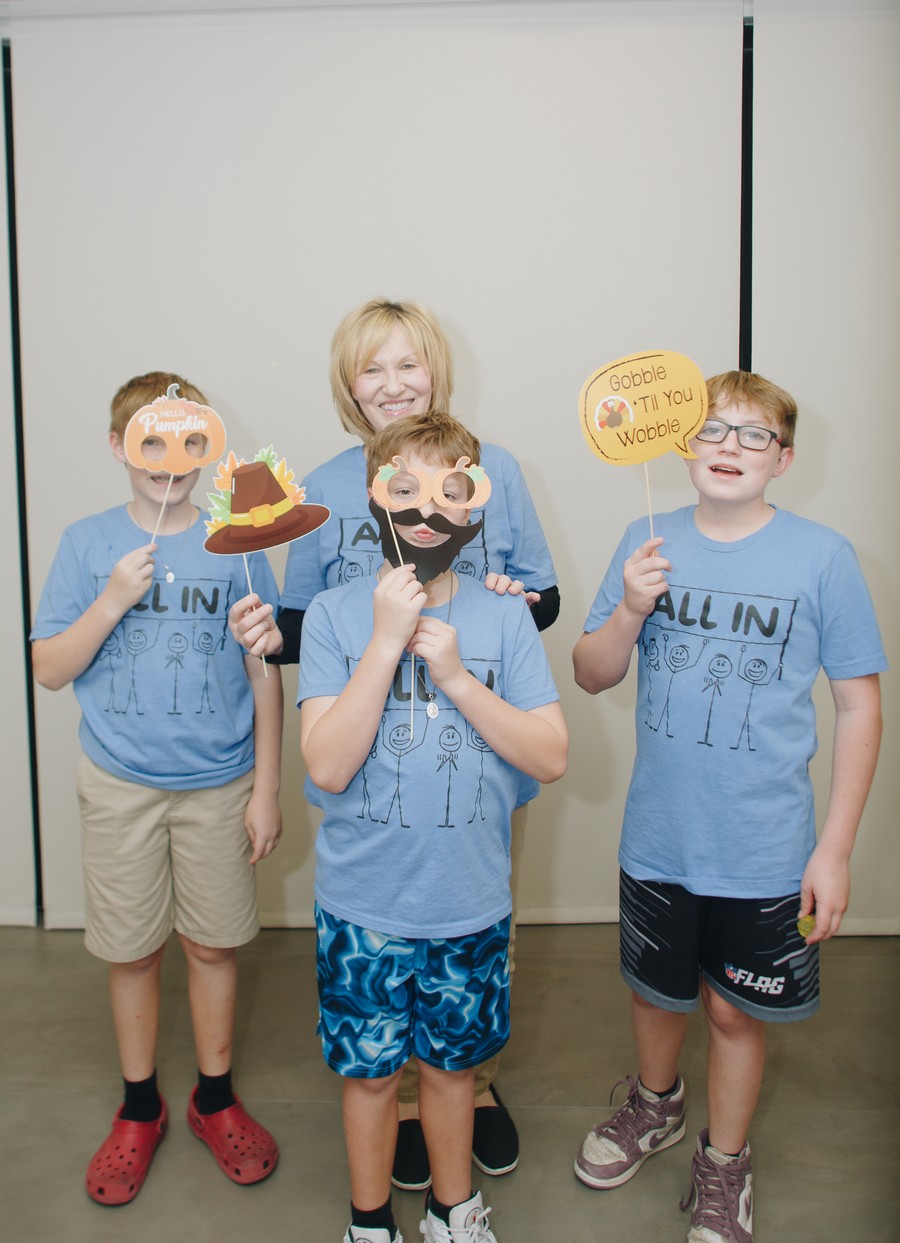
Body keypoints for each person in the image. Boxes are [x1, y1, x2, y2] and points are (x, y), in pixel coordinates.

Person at [230, 297, 559, 1187]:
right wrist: (266, 631)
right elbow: (302, 627)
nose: (392, 383)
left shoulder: (498, 471)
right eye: (371, 368)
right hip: (367, 765)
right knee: (382, 948)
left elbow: (541, 598)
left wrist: (506, 597)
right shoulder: (319, 484)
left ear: (436, 372)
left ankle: (469, 1085)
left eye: (408, 363)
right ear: (348, 385)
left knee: (472, 934)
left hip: (476, 759)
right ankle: (402, 1102)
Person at [571, 371, 885, 1242]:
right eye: (711, 429)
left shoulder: (823, 557)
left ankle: (725, 1160)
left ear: (784, 459)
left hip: (767, 849)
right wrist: (631, 607)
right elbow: (591, 672)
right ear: (682, 443)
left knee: (733, 1010)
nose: (730, 447)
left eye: (754, 434)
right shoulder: (647, 537)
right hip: (659, 838)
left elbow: (860, 706)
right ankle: (655, 1103)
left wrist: (834, 850)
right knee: (655, 994)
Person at [298, 410, 568, 1243]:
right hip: (363, 907)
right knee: (372, 1077)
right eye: (405, 488)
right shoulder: (332, 616)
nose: (427, 509)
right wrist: (385, 644)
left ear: (475, 504)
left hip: (469, 904)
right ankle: (370, 1222)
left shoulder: (505, 618)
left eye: (451, 490)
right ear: (373, 499)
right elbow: (327, 765)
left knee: (454, 1072)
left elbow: (551, 753)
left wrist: (455, 677)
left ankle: (455, 1211)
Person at [31, 371, 283, 1206]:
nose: (169, 458)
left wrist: (266, 788)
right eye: (149, 439)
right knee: (133, 950)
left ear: (209, 447)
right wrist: (112, 599)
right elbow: (49, 668)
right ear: (119, 446)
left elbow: (265, 669)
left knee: (212, 945)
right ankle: (140, 1106)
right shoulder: (86, 542)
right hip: (119, 784)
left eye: (189, 440)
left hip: (220, 785)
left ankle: (215, 1097)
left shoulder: (237, 540)